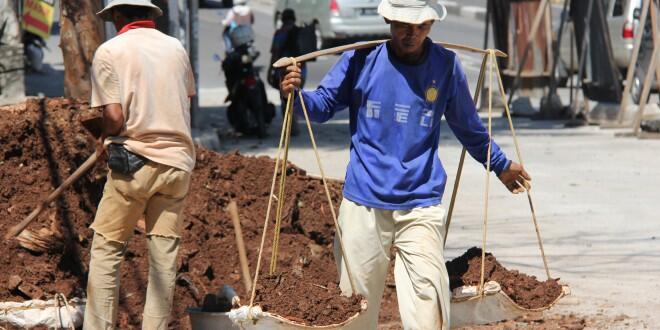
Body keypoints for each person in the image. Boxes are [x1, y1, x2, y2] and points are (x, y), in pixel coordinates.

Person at [279, 0, 531, 329]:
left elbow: (468, 128)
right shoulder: (360, 60)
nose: (411, 34)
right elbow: (322, 106)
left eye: (421, 27)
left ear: (430, 25)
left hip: (420, 202)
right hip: (364, 202)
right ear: (387, 20)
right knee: (355, 306)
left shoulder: (446, 66)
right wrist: (296, 96)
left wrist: (500, 164)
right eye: (403, 26)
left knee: (429, 301)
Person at [85, 0, 196, 328]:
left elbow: (115, 118)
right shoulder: (176, 48)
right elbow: (181, 98)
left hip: (133, 164)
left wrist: (102, 137)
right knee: (164, 259)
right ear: (149, 14)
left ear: (118, 15)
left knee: (107, 250)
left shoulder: (110, 51)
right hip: (177, 165)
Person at [269, 8, 307, 136]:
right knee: (297, 96)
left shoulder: (280, 33)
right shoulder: (300, 32)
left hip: (285, 70)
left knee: (285, 97)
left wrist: (271, 69)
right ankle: (294, 126)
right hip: (301, 70)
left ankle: (288, 127)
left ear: (282, 19)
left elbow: (275, 52)